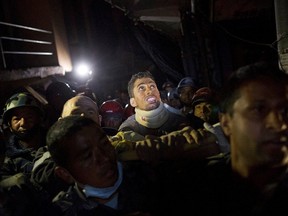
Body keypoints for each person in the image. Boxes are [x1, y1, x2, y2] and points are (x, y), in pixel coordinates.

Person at [45, 115, 213, 216]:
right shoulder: (61, 211)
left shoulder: (149, 172)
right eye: (87, 156)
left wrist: (183, 153)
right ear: (64, 174)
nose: (103, 157)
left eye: (104, 143)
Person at [189, 61, 288, 215]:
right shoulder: (194, 191)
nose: (280, 125)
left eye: (285, 112)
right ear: (226, 123)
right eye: (259, 109)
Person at [118, 71, 189, 137]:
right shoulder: (127, 129)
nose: (149, 91)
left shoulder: (179, 121)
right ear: (133, 102)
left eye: (152, 86)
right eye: (141, 88)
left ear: (158, 93)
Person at [0, 92, 47, 179]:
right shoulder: (7, 160)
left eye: (29, 117)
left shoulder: (54, 145)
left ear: (39, 119)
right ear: (9, 125)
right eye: (17, 119)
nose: (23, 123)